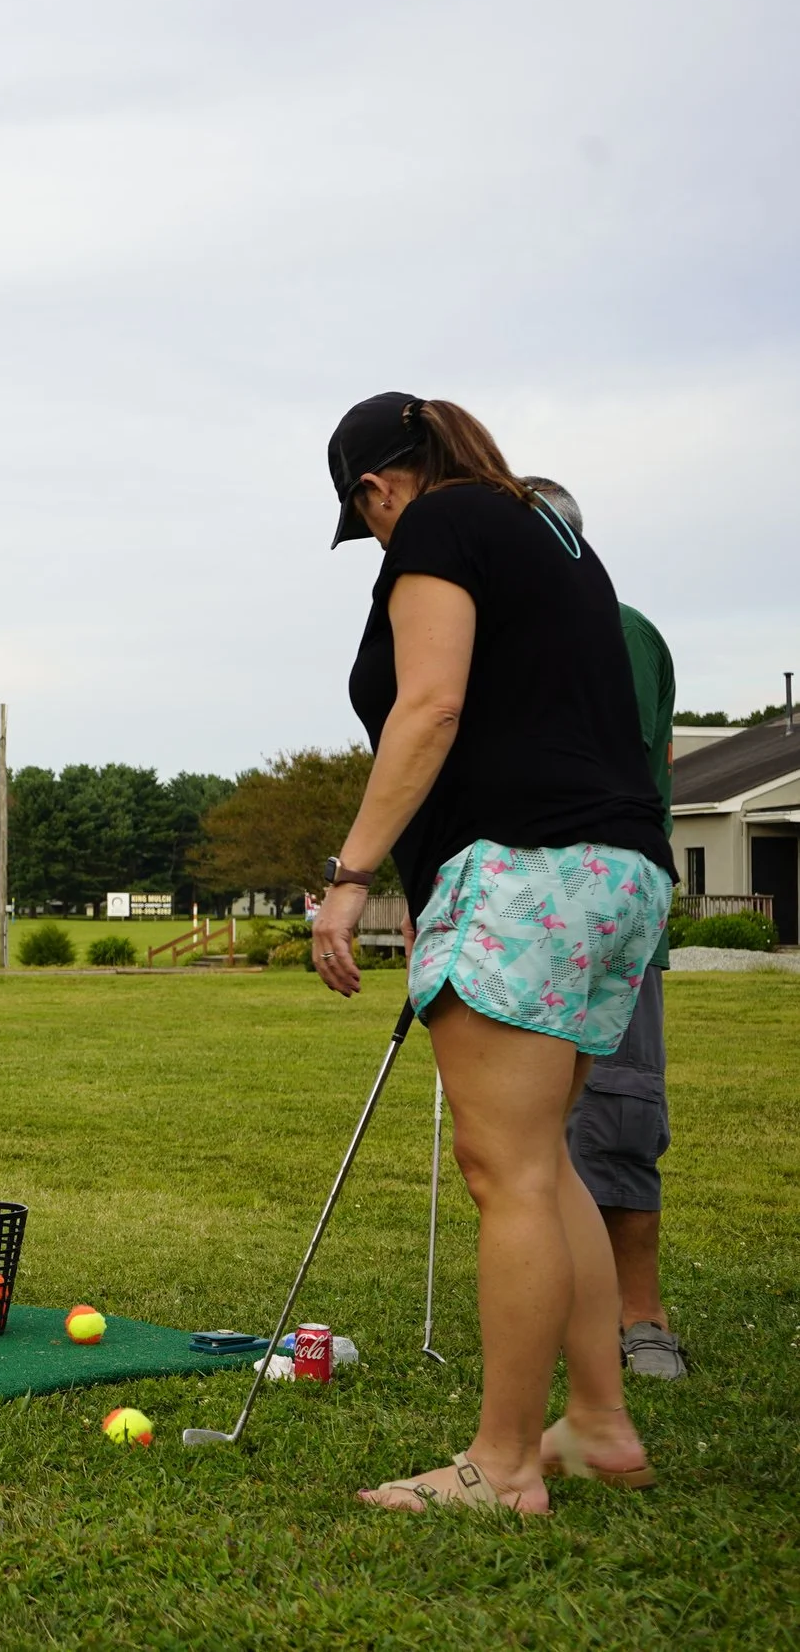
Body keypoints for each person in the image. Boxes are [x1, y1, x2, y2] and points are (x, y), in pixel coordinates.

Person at [309, 394, 672, 1514]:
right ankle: (598, 1424)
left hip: (525, 868)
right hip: (619, 874)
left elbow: (430, 705)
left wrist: (351, 877)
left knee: (502, 1169)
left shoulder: (437, 527)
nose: (374, 539)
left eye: (362, 519)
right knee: (543, 1156)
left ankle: (503, 1463)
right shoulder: (548, 531)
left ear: (377, 487)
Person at [525, 478, 687, 1381]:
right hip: (523, 915)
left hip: (608, 913)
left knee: (618, 1112)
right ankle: (557, 1313)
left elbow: (626, 766)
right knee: (529, 1131)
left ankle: (641, 1315)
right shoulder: (504, 635)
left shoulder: (619, 631)